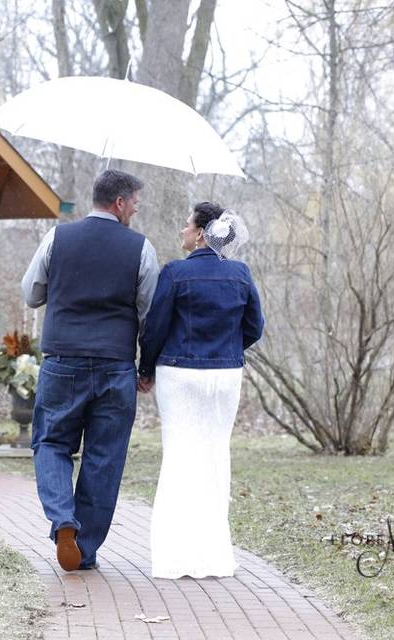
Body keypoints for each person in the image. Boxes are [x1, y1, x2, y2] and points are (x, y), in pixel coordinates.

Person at [21, 169, 159, 571]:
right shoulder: (141, 248)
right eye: (134, 202)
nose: (135, 209)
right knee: (105, 457)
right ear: (119, 203)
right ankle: (84, 549)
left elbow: (31, 293)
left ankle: (63, 517)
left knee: (51, 443)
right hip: (116, 367)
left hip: (62, 362)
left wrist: (62, 287)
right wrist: (145, 368)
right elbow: (149, 314)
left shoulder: (57, 238)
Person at [137, 201, 264, 579]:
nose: (181, 230)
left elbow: (155, 327)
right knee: (213, 457)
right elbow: (254, 327)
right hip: (225, 376)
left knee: (179, 457)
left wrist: (146, 370)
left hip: (180, 375)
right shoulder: (240, 274)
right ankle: (213, 556)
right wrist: (226, 351)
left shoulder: (175, 273)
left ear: (200, 233)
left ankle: (176, 556)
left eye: (186, 224)